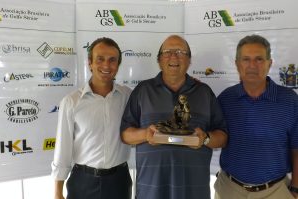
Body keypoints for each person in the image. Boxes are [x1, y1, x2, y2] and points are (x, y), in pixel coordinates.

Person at [120, 35, 228, 199]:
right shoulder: (143, 91)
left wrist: (205, 139)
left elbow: (222, 137)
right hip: (151, 191)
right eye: (167, 52)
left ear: (189, 60)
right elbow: (125, 134)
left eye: (180, 51)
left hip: (194, 191)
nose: (173, 56)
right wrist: (145, 135)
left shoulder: (204, 92)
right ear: (159, 59)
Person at [215, 34, 298, 199]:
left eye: (259, 59)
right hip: (229, 190)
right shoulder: (225, 99)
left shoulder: (290, 100)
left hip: (276, 191)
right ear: (237, 65)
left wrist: (295, 189)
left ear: (269, 64)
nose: (252, 65)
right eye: (246, 59)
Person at [51, 37, 132, 199]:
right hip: (83, 182)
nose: (106, 66)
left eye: (112, 60)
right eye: (100, 59)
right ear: (90, 63)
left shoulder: (128, 97)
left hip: (119, 182)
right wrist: (57, 192)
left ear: (118, 65)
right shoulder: (71, 102)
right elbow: (63, 149)